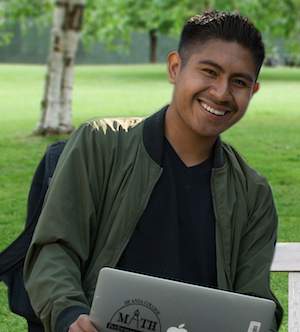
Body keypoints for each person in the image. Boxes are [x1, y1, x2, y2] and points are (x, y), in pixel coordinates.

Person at [24, 10, 283, 332]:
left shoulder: (253, 193)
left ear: (253, 92)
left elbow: (254, 299)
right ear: (175, 67)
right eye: (209, 71)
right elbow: (55, 248)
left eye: (239, 82)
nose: (221, 93)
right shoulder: (101, 145)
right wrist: (68, 315)